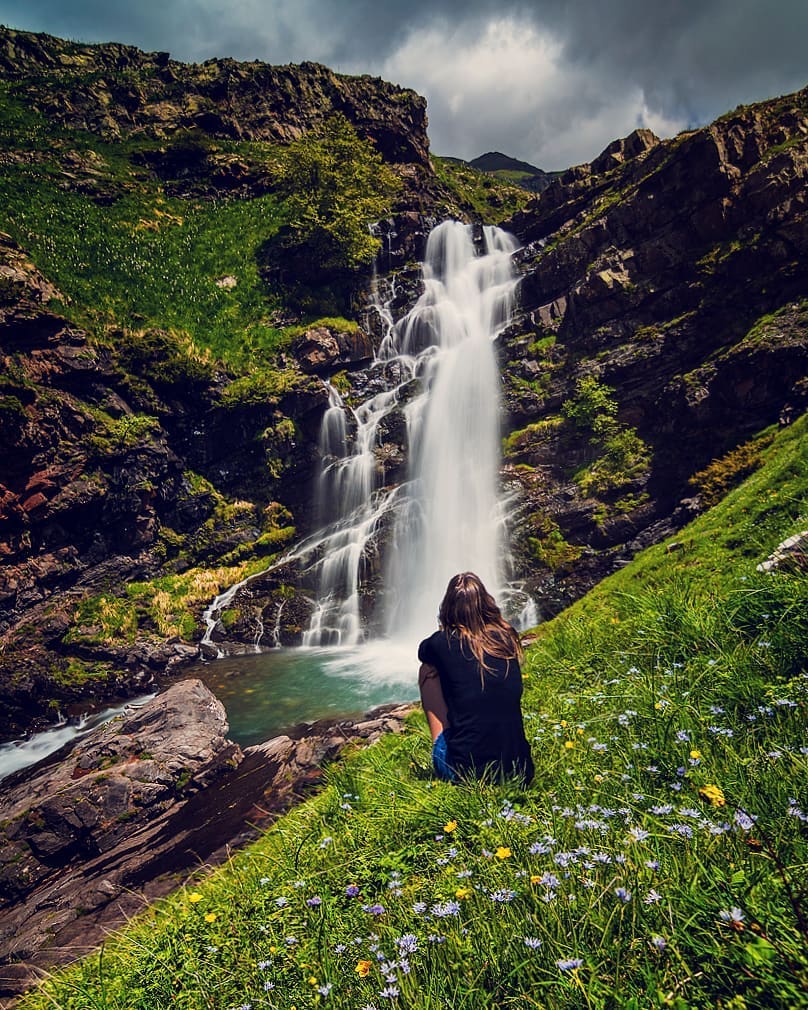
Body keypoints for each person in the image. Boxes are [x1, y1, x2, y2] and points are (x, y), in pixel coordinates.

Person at [417, 572, 534, 784]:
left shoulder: (441, 642)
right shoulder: (506, 637)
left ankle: (441, 746)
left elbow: (423, 652)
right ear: (486, 604)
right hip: (520, 770)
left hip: (466, 774)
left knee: (428, 670)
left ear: (448, 608)